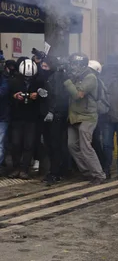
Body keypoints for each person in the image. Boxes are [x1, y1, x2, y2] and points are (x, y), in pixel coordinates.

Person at [63, 53, 106, 184]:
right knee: (72, 145)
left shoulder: (90, 77)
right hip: (74, 116)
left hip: (88, 116)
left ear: (81, 65)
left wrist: (67, 81)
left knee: (86, 147)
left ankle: (99, 175)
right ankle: (87, 172)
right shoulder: (76, 77)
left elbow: (77, 95)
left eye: (74, 65)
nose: (72, 67)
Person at [8, 59, 43, 179]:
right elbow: (7, 97)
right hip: (17, 117)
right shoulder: (14, 82)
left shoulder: (38, 82)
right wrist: (14, 96)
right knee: (16, 143)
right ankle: (16, 167)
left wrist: (37, 96)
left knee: (29, 144)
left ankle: (24, 169)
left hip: (32, 118)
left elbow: (45, 97)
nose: (28, 79)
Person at [40, 57, 70, 185]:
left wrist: (51, 111)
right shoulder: (52, 77)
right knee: (53, 144)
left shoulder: (56, 77)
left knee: (54, 144)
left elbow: (57, 96)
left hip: (55, 116)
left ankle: (55, 172)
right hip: (54, 114)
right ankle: (57, 170)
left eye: (46, 66)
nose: (43, 68)